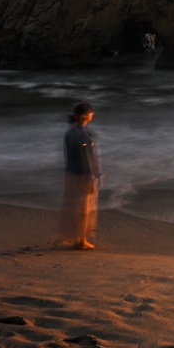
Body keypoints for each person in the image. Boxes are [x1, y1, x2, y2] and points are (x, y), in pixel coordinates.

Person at [60, 102, 102, 250]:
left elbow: (68, 155)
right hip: (83, 174)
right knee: (84, 209)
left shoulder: (69, 132)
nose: (93, 114)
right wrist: (95, 175)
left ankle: (74, 238)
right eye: (90, 112)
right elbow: (88, 158)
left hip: (71, 174)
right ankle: (81, 241)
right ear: (85, 115)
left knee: (73, 207)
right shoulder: (84, 135)